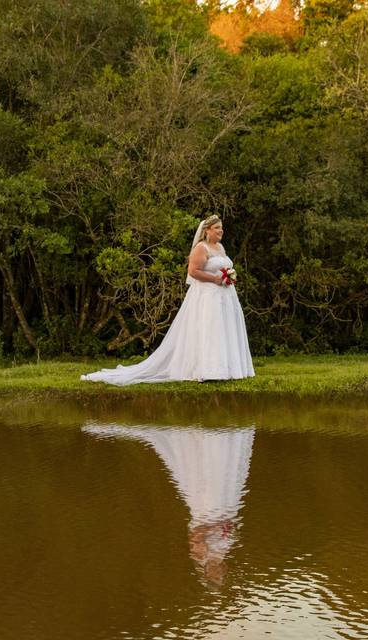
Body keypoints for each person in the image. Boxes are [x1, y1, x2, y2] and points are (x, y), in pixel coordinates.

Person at [81, 214, 255, 385]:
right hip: (207, 296)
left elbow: (223, 267)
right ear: (207, 230)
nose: (221, 231)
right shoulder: (201, 248)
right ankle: (208, 370)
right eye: (217, 228)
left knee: (223, 329)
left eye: (221, 228)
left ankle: (228, 368)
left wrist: (228, 277)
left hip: (225, 296)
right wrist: (215, 279)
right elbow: (193, 271)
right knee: (209, 330)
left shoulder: (220, 247)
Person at [82, 423, 255, 586]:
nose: (220, 574)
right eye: (221, 577)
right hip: (225, 505)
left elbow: (196, 534)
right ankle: (221, 439)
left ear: (208, 574)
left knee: (208, 479)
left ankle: (210, 442)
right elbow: (230, 532)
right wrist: (229, 525)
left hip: (207, 508)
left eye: (216, 577)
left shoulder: (200, 556)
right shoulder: (223, 554)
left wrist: (216, 527)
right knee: (223, 477)